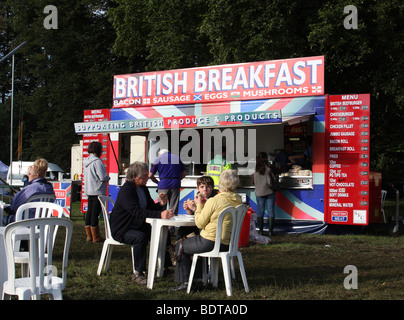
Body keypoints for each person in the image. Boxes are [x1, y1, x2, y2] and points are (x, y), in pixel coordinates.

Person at [172, 169, 242, 291]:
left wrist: (199, 205)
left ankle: (185, 283)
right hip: (228, 244)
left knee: (180, 246)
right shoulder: (238, 200)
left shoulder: (215, 200)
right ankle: (198, 281)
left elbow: (199, 224)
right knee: (194, 243)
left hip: (211, 241)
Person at [109, 161, 174, 285]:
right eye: (144, 176)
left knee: (164, 233)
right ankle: (138, 273)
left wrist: (161, 204)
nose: (147, 178)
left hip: (137, 225)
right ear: (135, 177)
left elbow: (149, 208)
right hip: (123, 228)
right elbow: (136, 211)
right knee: (140, 237)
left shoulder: (142, 188)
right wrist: (160, 214)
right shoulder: (127, 190)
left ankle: (165, 268)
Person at [2, 159, 55, 225]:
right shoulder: (50, 189)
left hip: (25, 223)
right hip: (43, 224)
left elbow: (14, 206)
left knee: (3, 220)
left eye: (29, 173)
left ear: (36, 175)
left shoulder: (30, 189)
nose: (27, 175)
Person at [83, 141, 110, 243]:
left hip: (89, 190)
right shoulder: (98, 161)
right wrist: (108, 178)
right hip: (98, 190)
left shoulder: (86, 161)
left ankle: (89, 235)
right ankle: (96, 236)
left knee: (89, 213)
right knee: (95, 213)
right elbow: (102, 177)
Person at [149, 149, 186, 216]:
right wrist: (177, 180)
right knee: (174, 207)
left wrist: (157, 182)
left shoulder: (158, 159)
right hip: (175, 184)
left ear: (160, 154)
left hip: (163, 184)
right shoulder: (177, 158)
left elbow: (150, 175)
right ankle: (171, 225)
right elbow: (184, 173)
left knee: (162, 205)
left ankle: (162, 225)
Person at [252, 152, 276, 236]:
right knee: (271, 210)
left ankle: (260, 231)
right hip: (269, 192)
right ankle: (270, 231)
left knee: (260, 211)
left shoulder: (255, 169)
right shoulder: (268, 168)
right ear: (266, 158)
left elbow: (253, 182)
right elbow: (270, 182)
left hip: (259, 193)